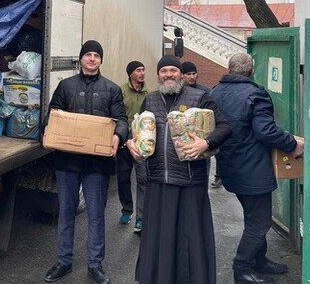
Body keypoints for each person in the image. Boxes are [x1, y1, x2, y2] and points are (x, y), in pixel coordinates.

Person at [127, 55, 231, 284]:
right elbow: (137, 131)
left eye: (173, 70)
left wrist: (206, 143)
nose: (168, 75)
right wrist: (130, 143)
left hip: (189, 182)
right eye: (163, 71)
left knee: (189, 239)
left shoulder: (200, 97)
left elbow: (224, 127)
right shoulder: (151, 100)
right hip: (157, 180)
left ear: (181, 74)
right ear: (158, 75)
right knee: (158, 238)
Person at [210, 53, 304, 284]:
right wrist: (292, 144)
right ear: (251, 71)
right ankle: (242, 269)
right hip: (253, 168)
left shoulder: (215, 92)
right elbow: (265, 130)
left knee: (253, 216)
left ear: (229, 69)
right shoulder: (256, 94)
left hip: (230, 165)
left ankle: (259, 260)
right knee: (260, 221)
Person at [42, 40, 128, 284]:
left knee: (96, 214)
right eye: (87, 55)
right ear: (80, 59)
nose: (92, 59)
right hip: (67, 162)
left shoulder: (112, 89)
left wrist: (118, 134)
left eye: (96, 55)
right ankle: (63, 261)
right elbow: (53, 115)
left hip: (97, 164)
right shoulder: (65, 86)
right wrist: (47, 128)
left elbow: (121, 118)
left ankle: (95, 264)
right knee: (66, 211)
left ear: (101, 60)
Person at [117, 61, 149, 234]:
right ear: (130, 74)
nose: (142, 73)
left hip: (142, 142)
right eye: (138, 70)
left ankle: (141, 218)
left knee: (143, 179)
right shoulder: (120, 91)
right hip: (124, 139)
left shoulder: (149, 93)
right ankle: (126, 210)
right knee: (123, 177)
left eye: (143, 70)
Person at [181, 61, 221, 188]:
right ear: (182, 75)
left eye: (194, 73)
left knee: (202, 176)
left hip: (202, 142)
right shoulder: (177, 92)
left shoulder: (205, 92)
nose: (192, 76)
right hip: (183, 142)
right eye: (188, 74)